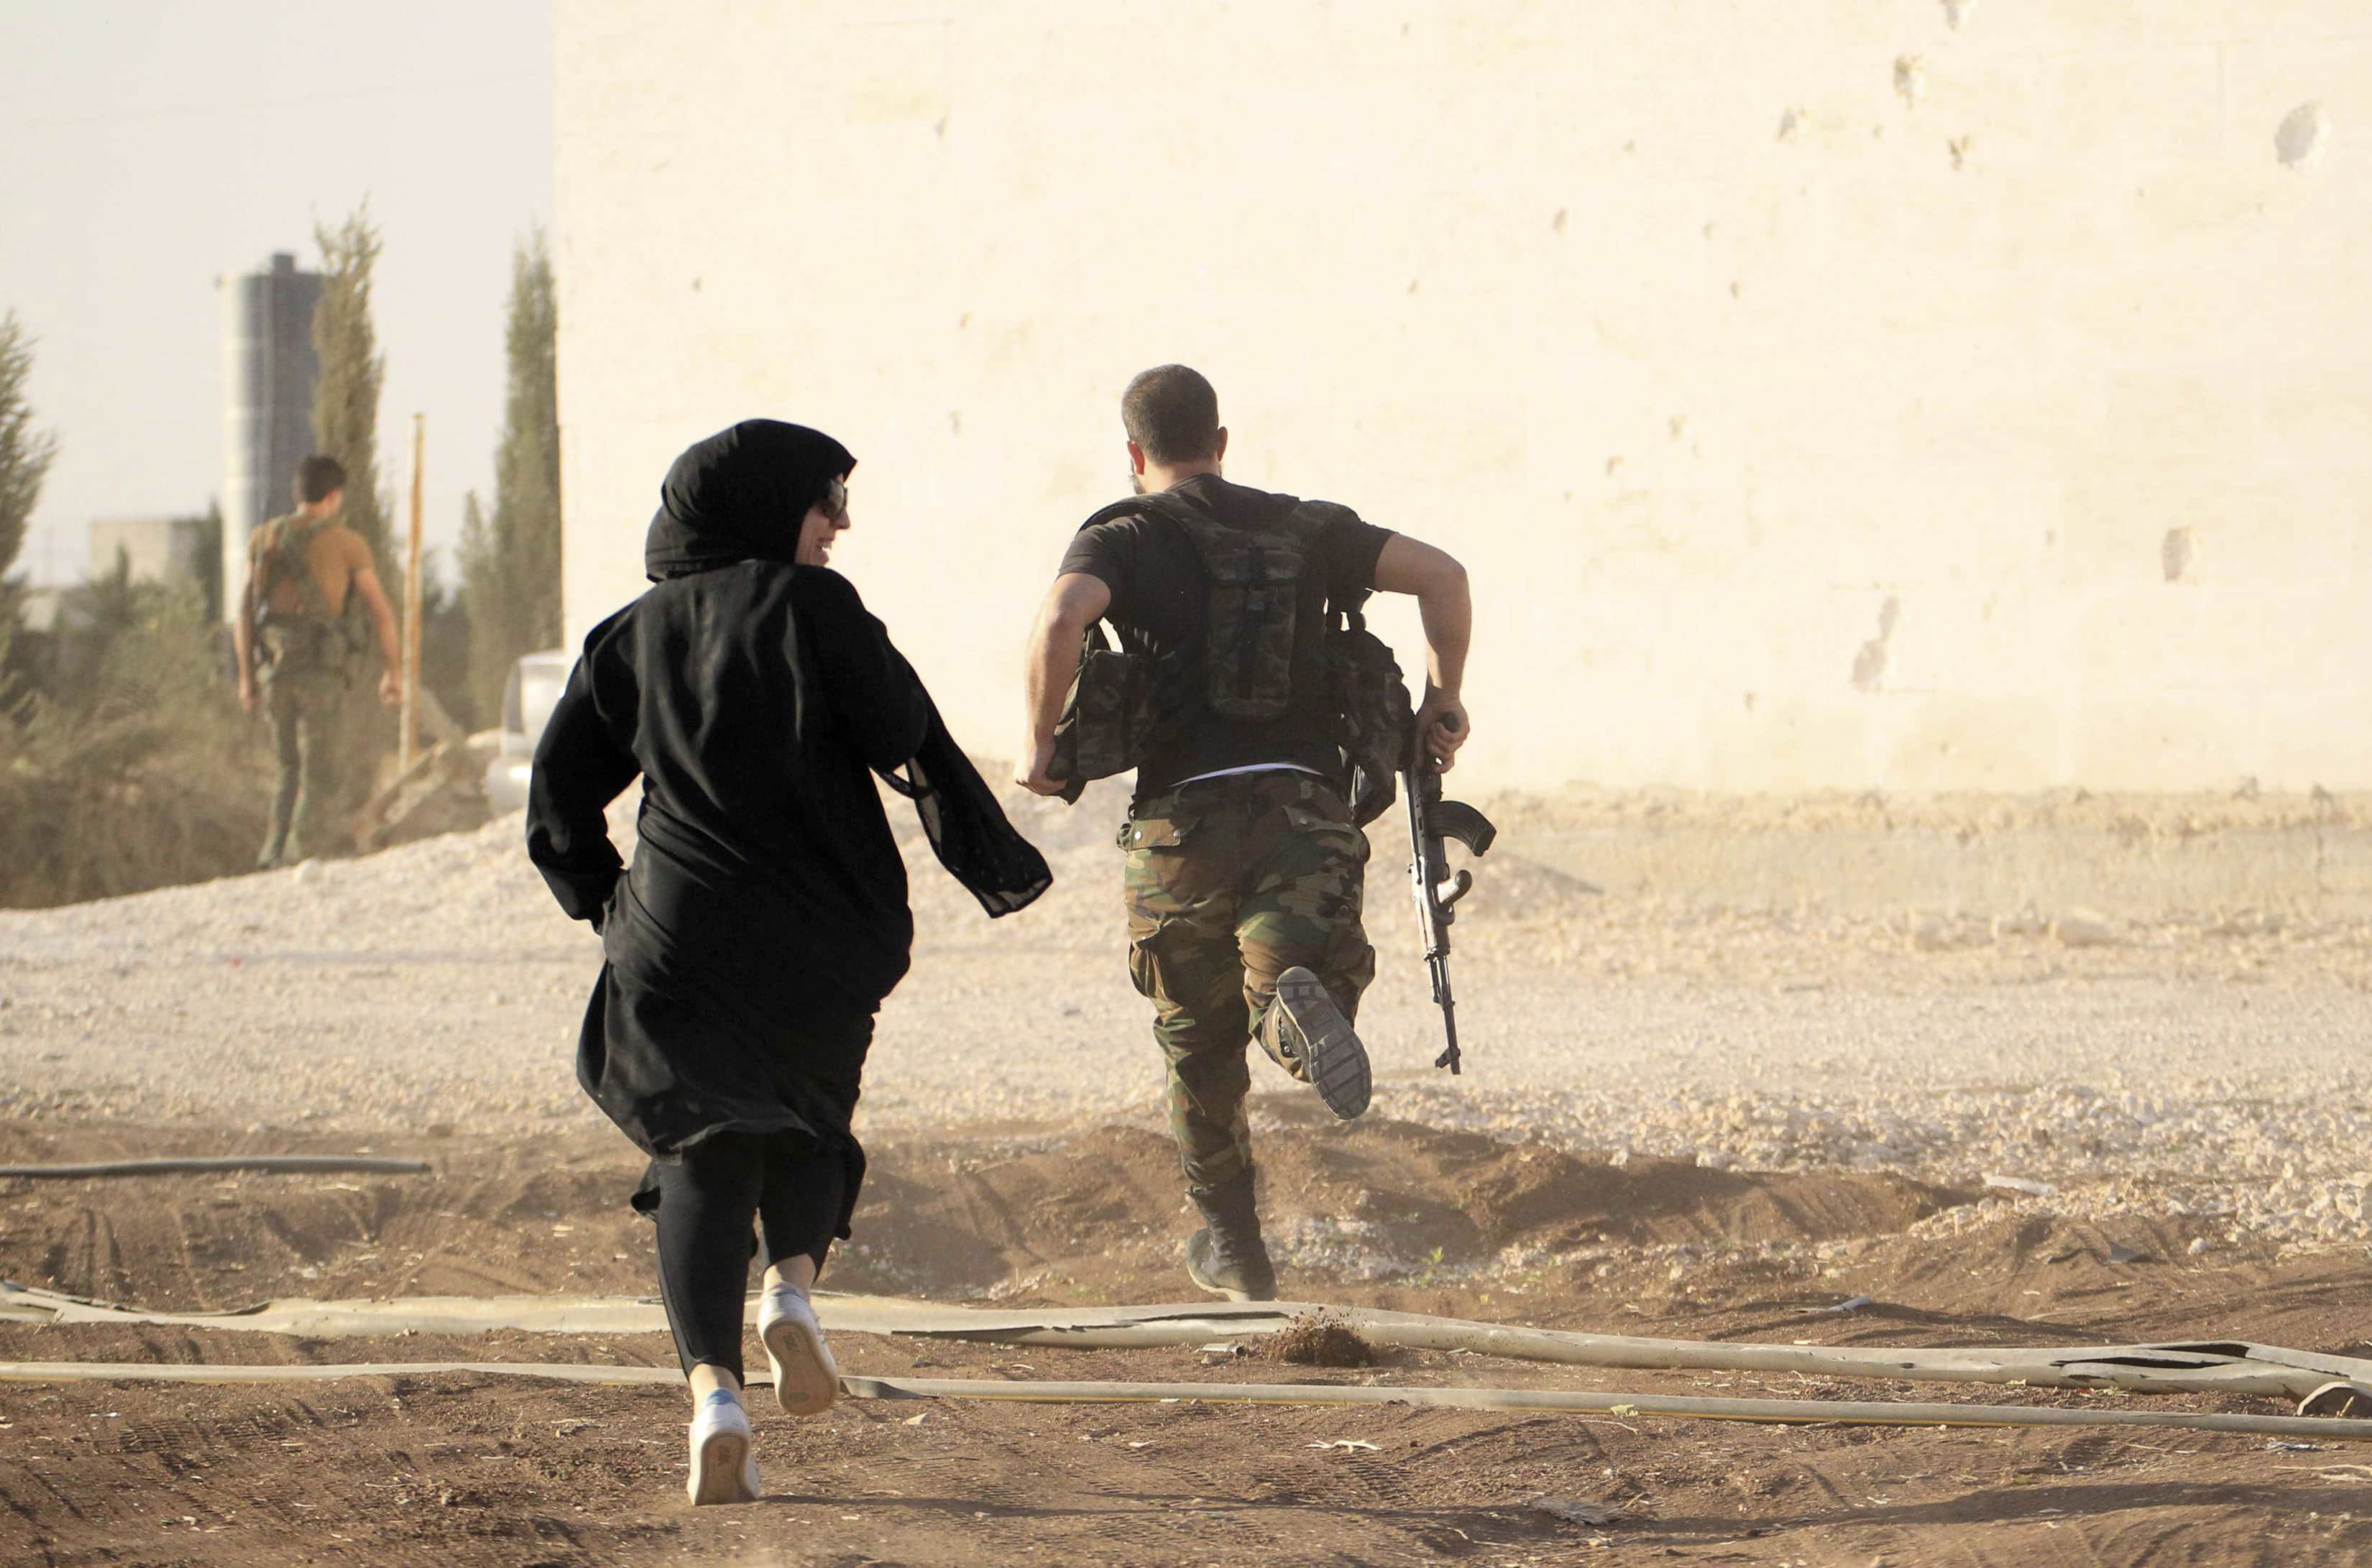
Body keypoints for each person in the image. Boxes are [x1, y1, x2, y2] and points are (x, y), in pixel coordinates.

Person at [527, 420, 1046, 1507]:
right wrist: (987, 857)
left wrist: (605, 902)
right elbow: (914, 740)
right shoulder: (820, 612)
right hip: (828, 927)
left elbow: (560, 801)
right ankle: (794, 1291)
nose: (841, 524)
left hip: (681, 933)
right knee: (808, 1113)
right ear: (766, 509)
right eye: (827, 502)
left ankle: (715, 1398)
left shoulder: (632, 634)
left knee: (702, 1150)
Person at [1016, 364, 1473, 1302]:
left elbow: (1063, 617)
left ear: (1135, 453)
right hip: (1306, 807)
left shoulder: (1123, 532)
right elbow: (1444, 576)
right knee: (1303, 962)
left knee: (1195, 1040)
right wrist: (1444, 701)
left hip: (1182, 826)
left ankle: (1236, 1250)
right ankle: (1292, 1008)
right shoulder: (1310, 528)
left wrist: (1036, 745)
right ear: (1222, 443)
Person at [233, 454, 401, 869]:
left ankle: (274, 852)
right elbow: (380, 611)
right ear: (333, 496)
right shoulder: (347, 543)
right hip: (320, 675)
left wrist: (246, 678)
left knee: (287, 767)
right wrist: (391, 671)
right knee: (320, 768)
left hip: (274, 670)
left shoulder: (264, 539)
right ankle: (301, 853)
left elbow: (243, 611)